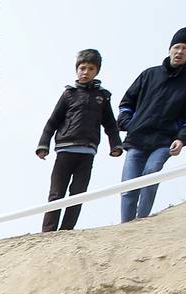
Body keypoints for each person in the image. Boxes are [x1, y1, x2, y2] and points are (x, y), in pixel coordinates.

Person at [117, 29, 186, 223]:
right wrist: (128, 123)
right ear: (169, 49)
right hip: (137, 138)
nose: (179, 51)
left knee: (151, 174)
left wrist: (181, 139)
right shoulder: (149, 74)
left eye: (185, 48)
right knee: (129, 185)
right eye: (176, 47)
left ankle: (142, 222)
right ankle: (125, 227)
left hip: (165, 141)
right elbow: (126, 103)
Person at [36, 49, 124, 232]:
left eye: (90, 69)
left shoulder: (103, 97)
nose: (85, 72)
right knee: (56, 193)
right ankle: (48, 232)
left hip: (87, 151)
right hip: (65, 149)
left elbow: (110, 124)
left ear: (96, 71)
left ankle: (66, 230)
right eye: (82, 68)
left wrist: (115, 145)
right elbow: (52, 121)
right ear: (77, 70)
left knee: (78, 194)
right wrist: (43, 145)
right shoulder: (69, 94)